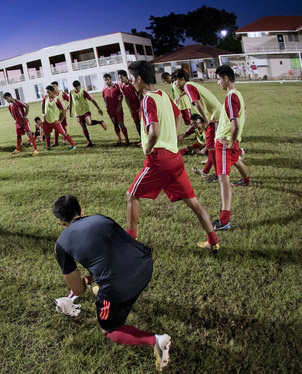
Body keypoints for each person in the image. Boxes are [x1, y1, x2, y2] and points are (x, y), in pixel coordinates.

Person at [52, 195, 171, 372]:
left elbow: (78, 289)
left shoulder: (61, 244)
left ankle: (155, 340)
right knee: (110, 288)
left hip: (119, 286)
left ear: (62, 222)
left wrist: (84, 280)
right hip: (145, 266)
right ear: (81, 210)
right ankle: (109, 294)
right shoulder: (101, 218)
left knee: (108, 329)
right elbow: (114, 252)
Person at [124, 61, 219, 252]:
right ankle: (213, 240)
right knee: (192, 201)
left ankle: (129, 243)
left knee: (132, 196)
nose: (131, 83)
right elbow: (177, 116)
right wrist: (173, 139)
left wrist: (148, 148)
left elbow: (154, 131)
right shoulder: (164, 95)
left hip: (159, 159)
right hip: (175, 158)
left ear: (140, 79)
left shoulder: (148, 99)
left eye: (132, 80)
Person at [213, 65, 252, 231]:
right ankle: (246, 180)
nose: (218, 83)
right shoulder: (237, 94)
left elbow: (235, 124)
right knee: (236, 160)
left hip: (225, 143)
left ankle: (224, 220)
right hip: (232, 141)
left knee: (223, 179)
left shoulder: (230, 97)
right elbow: (245, 113)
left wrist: (230, 140)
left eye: (218, 79)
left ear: (226, 78)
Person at [69, 80, 106, 147]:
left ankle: (100, 122)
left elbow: (92, 99)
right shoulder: (71, 92)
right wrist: (70, 111)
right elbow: (70, 101)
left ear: (80, 86)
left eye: (78, 87)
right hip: (78, 113)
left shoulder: (83, 91)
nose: (77, 89)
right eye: (76, 88)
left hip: (85, 111)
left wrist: (98, 108)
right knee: (83, 126)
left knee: (89, 123)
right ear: (74, 87)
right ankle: (89, 142)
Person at [42, 85, 76, 150]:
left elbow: (63, 110)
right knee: (46, 133)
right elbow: (43, 105)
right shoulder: (46, 98)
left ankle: (73, 145)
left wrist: (61, 120)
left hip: (54, 121)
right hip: (46, 120)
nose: (47, 93)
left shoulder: (57, 100)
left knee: (63, 133)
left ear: (53, 92)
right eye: (47, 92)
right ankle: (48, 146)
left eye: (48, 92)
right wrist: (43, 114)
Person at [187, 114, 218, 183]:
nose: (194, 126)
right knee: (211, 150)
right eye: (192, 124)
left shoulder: (211, 126)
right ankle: (205, 172)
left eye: (195, 123)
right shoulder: (205, 128)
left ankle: (218, 175)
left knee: (212, 150)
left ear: (200, 120)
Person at [103, 73, 129, 145]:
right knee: (115, 124)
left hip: (118, 109)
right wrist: (107, 107)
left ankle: (127, 139)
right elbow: (104, 99)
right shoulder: (104, 90)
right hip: (110, 110)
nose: (107, 81)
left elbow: (121, 96)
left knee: (121, 124)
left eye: (108, 79)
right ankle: (119, 139)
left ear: (110, 79)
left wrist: (119, 105)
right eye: (105, 80)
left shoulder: (116, 86)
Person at [118, 70, 142, 137]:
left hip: (139, 107)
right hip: (133, 109)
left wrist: (141, 106)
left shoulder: (133, 83)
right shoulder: (122, 86)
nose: (120, 79)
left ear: (125, 76)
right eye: (119, 78)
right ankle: (141, 139)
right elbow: (126, 98)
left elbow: (140, 94)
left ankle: (147, 139)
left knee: (143, 123)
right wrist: (130, 109)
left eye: (121, 77)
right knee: (136, 123)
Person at [50, 81, 71, 146]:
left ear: (57, 86)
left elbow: (70, 100)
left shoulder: (62, 93)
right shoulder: (51, 95)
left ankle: (64, 140)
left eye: (54, 86)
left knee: (63, 127)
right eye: (52, 86)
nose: (53, 87)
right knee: (56, 127)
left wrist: (67, 108)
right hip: (55, 114)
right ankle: (56, 142)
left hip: (62, 113)